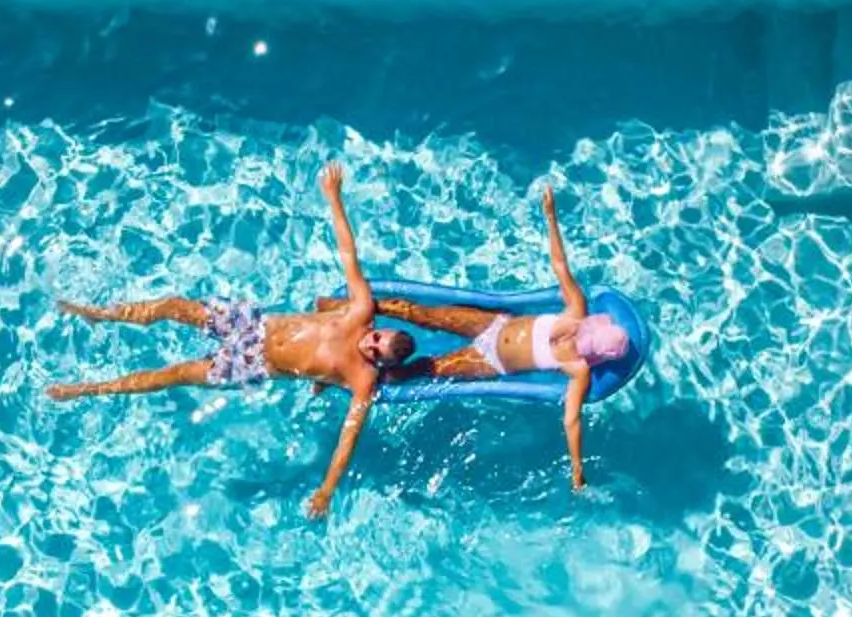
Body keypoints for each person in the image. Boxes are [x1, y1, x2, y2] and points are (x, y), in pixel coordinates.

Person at [47, 161, 417, 520]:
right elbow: (348, 252)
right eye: (376, 338)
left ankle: (85, 389)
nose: (369, 345)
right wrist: (334, 196)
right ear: (379, 328)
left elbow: (346, 441)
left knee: (173, 375)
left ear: (382, 366)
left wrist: (326, 490)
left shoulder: (362, 381)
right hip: (252, 325)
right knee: (172, 307)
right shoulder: (360, 310)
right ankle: (98, 314)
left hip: (253, 364)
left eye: (376, 353)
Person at [367, 187, 629, 490]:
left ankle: (369, 375)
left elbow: (572, 420)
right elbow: (559, 264)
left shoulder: (578, 367)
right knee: (426, 315)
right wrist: (551, 217)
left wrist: (576, 469)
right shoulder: (575, 313)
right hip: (491, 325)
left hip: (490, 362)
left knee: (427, 368)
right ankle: (368, 308)